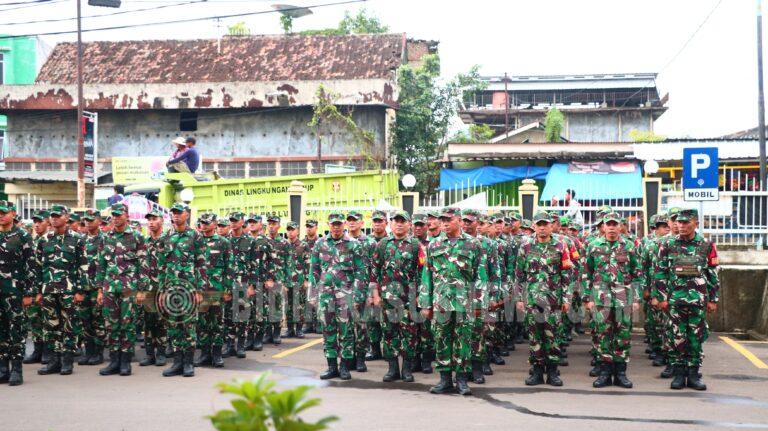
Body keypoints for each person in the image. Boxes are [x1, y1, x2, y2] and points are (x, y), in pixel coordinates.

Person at [418, 207, 488, 396]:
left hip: (465, 303)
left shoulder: (474, 244)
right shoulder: (433, 245)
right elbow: (427, 275)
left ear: (458, 220)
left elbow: (480, 275)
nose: (445, 223)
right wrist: (425, 302)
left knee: (463, 340)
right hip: (441, 302)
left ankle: (462, 380)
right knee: (441, 340)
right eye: (442, 220)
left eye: (449, 219)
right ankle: (445, 380)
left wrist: (480, 302)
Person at [653, 208, 719, 391]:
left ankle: (693, 374)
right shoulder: (668, 245)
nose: (680, 225)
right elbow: (660, 273)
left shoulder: (707, 245)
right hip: (675, 300)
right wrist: (662, 297)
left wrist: (713, 299)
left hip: (697, 301)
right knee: (677, 336)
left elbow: (713, 274)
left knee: (696, 337)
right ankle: (679, 374)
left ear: (695, 224)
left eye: (685, 222)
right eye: (679, 222)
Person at [514, 211, 574, 387]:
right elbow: (519, 275)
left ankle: (553, 372)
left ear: (551, 226)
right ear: (534, 226)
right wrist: (518, 298)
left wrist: (567, 298)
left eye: (545, 224)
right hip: (532, 300)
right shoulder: (525, 247)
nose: (541, 228)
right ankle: (537, 371)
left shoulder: (560, 246)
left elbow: (567, 274)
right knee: (535, 336)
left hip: (554, 300)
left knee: (553, 336)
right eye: (538, 224)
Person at [584, 212, 642, 388]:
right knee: (603, 336)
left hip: (624, 299)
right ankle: (605, 373)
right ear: (603, 227)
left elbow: (637, 274)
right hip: (601, 300)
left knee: (623, 336)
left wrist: (636, 299)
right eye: (607, 224)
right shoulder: (593, 246)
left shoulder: (630, 246)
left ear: (620, 226)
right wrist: (588, 298)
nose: (610, 227)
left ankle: (621, 373)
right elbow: (587, 273)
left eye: (614, 224)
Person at [310, 212, 367, 381]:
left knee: (346, 331)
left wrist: (357, 295)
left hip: (346, 295)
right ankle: (331, 366)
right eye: (333, 224)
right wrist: (313, 294)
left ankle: (344, 366)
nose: (336, 227)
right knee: (328, 330)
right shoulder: (320, 244)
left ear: (343, 225)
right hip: (325, 295)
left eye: (339, 224)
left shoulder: (354, 245)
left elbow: (361, 271)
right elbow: (314, 270)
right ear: (328, 225)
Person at [95, 203, 146, 377]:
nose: (115, 218)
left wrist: (141, 290)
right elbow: (101, 264)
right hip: (110, 287)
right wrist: (100, 290)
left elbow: (143, 265)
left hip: (129, 289)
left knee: (127, 325)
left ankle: (125, 361)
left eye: (119, 215)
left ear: (126, 216)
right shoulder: (105, 237)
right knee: (111, 325)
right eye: (113, 215)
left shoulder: (137, 237)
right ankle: (114, 360)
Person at [36, 205, 88, 376]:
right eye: (52, 216)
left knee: (69, 326)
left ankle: (67, 361)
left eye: (58, 216)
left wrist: (80, 290)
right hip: (49, 289)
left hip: (69, 290)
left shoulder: (77, 239)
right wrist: (38, 290)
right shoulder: (44, 240)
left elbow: (83, 266)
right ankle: (54, 361)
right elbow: (38, 267)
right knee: (51, 326)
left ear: (66, 217)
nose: (54, 219)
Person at [158, 203, 208, 378]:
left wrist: (199, 290)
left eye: (179, 213)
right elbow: (161, 265)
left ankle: (188, 363)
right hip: (171, 289)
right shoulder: (166, 236)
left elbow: (202, 264)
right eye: (174, 213)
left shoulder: (195, 236)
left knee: (188, 326)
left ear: (187, 215)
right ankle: (177, 362)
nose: (176, 215)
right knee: (173, 325)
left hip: (189, 289)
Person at [371, 210, 421, 383]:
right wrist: (375, 295)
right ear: (391, 224)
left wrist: (419, 297)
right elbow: (374, 272)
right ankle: (392, 369)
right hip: (387, 300)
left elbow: (422, 273)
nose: (399, 224)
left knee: (409, 335)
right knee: (389, 334)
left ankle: (407, 369)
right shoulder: (383, 245)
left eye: (403, 221)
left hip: (409, 300)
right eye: (396, 221)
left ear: (409, 224)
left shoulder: (415, 245)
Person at [0, 200, 36, 386]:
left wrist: (29, 292)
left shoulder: (22, 236)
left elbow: (31, 265)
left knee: (17, 330)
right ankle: (3, 367)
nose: (1, 215)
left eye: (4, 212)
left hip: (15, 291)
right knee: (1, 330)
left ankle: (16, 369)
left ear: (13, 213)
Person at [195, 213, 233, 369]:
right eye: (201, 223)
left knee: (217, 322)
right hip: (200, 289)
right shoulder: (195, 241)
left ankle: (217, 354)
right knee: (202, 323)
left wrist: (227, 288)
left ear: (214, 224)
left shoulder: (223, 242)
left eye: (206, 222)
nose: (203, 225)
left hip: (217, 288)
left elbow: (229, 266)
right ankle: (205, 354)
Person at [224, 212, 258, 359]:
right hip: (228, 283)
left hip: (243, 283)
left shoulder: (250, 241)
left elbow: (255, 265)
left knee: (243, 315)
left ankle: (241, 345)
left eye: (236, 220)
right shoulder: (225, 240)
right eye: (231, 221)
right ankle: (230, 344)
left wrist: (252, 286)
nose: (233, 223)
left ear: (242, 222)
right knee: (228, 315)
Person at [139, 209, 168, 367]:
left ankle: (162, 353)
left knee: (162, 321)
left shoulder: (168, 240)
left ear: (161, 221)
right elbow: (141, 266)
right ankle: (150, 354)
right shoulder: (145, 242)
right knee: (148, 322)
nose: (151, 222)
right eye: (149, 219)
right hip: (147, 288)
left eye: (154, 219)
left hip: (163, 287)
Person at [77, 209, 106, 367]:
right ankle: (88, 351)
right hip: (83, 286)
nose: (88, 222)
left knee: (98, 320)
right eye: (86, 220)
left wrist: (103, 287)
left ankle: (98, 352)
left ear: (99, 221)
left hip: (97, 287)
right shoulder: (80, 240)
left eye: (91, 220)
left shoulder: (105, 239)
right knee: (85, 320)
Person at [23, 210, 49, 366]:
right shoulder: (30, 240)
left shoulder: (49, 240)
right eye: (35, 222)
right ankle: (37, 350)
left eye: (40, 221)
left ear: (48, 222)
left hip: (45, 287)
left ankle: (47, 350)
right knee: (34, 319)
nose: (37, 224)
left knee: (47, 319)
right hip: (30, 287)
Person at [284, 221, 309, 339]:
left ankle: (299, 329)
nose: (290, 232)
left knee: (299, 305)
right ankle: (289, 329)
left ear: (297, 231)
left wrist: (307, 280)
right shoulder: (283, 244)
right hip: (287, 280)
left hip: (299, 280)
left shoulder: (303, 245)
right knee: (288, 305)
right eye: (288, 229)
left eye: (293, 229)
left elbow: (308, 263)